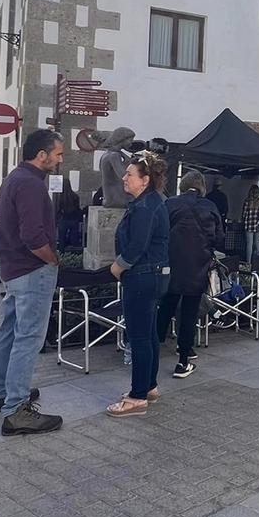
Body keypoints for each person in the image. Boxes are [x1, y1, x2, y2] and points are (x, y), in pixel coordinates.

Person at [0, 130, 65, 434]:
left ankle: (4, 393)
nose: (61, 160)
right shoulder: (31, 184)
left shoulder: (15, 178)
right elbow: (33, 236)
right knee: (28, 337)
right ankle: (16, 409)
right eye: (58, 154)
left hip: (14, 268)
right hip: (31, 268)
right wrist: (52, 259)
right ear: (42, 154)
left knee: (10, 332)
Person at [106, 152, 170, 417]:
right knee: (149, 334)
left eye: (129, 174)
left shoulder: (145, 207)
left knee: (139, 337)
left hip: (143, 277)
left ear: (144, 181)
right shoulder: (151, 202)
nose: (124, 177)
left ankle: (137, 396)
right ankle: (149, 386)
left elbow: (137, 245)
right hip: (154, 276)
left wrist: (117, 266)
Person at [160, 170, 224, 379]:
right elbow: (219, 238)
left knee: (166, 307)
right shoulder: (210, 206)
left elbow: (159, 233)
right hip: (198, 266)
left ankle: (152, 348)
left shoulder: (170, 203)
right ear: (202, 186)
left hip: (171, 266)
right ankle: (183, 360)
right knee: (189, 313)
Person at [56, 177, 83, 252]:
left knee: (62, 241)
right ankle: (74, 257)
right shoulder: (75, 196)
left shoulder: (60, 197)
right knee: (74, 240)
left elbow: (58, 210)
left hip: (63, 219)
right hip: (74, 220)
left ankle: (62, 256)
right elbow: (77, 209)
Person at [240, 184, 259, 265]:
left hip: (249, 224)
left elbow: (244, 214)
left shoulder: (247, 201)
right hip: (258, 225)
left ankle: (248, 263)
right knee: (258, 243)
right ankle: (258, 261)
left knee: (249, 244)